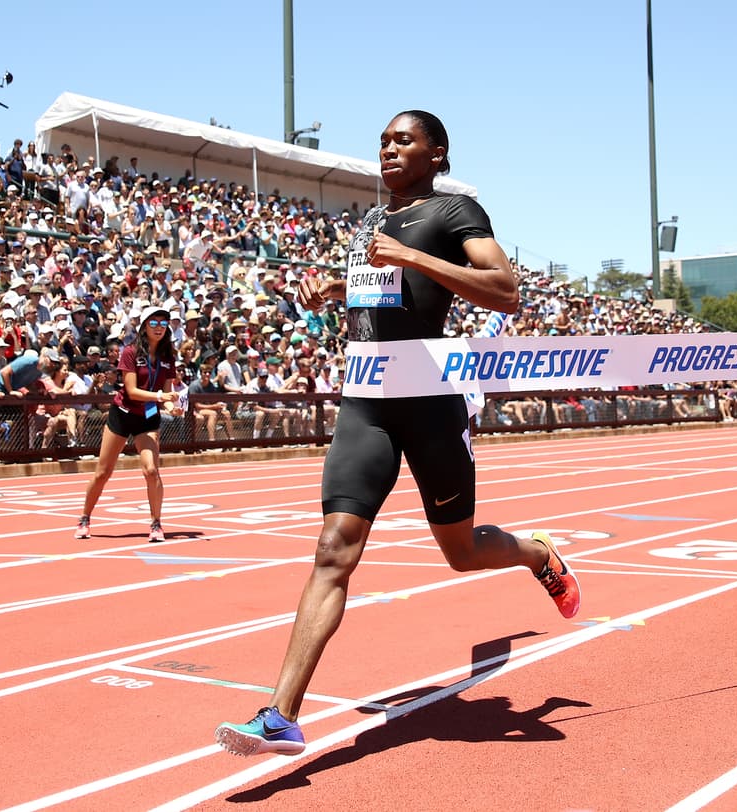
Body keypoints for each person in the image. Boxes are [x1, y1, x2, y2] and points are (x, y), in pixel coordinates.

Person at [215, 110, 581, 757]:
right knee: (334, 547)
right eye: (383, 140)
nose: (388, 149)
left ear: (436, 154)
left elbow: (505, 290)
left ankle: (535, 553)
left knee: (462, 553)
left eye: (403, 140)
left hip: (429, 400)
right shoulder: (372, 222)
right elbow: (397, 298)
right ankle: (280, 715)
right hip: (367, 401)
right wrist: (346, 289)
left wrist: (411, 255)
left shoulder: (455, 212)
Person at [74, 306, 181, 542]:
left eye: (163, 324)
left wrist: (174, 408)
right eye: (154, 323)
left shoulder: (167, 357)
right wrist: (161, 398)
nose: (159, 328)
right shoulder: (130, 352)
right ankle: (85, 517)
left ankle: (156, 524)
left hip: (148, 416)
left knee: (151, 470)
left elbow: (167, 394)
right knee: (103, 472)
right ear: (143, 326)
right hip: (122, 414)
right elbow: (131, 391)